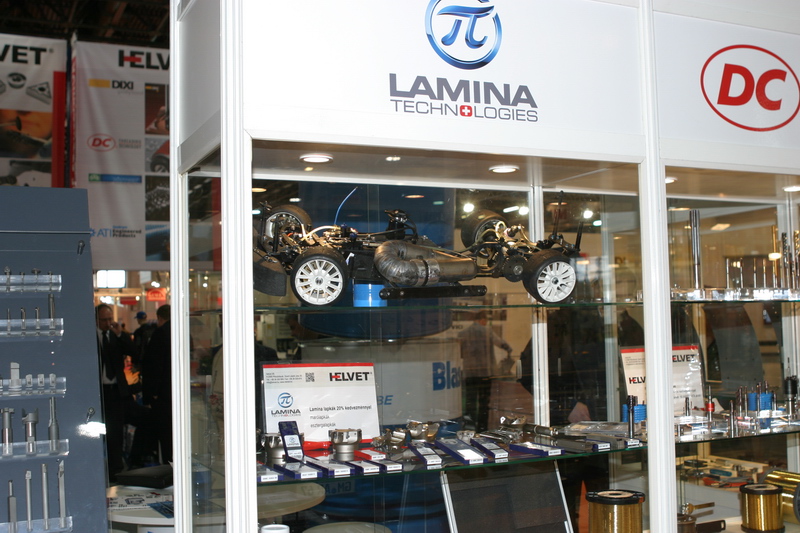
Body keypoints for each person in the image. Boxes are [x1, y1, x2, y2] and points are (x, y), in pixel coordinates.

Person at [96, 303, 137, 482]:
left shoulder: (115, 336)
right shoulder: (90, 337)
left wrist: (120, 334)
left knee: (116, 432)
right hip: (98, 391)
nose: (107, 323)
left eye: (109, 319)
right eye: (103, 320)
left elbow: (133, 352)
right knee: (97, 432)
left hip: (115, 390)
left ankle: (116, 471)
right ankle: (98, 469)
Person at [457, 311, 512, 432]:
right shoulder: (487, 331)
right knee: (484, 403)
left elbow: (459, 350)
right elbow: (500, 342)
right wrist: (509, 349)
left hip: (470, 372)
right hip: (485, 372)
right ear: (482, 320)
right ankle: (482, 428)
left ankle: (469, 426)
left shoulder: (463, 333)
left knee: (470, 401)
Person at [141, 305, 173, 464]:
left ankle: (168, 467)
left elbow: (153, 365)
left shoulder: (160, 333)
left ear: (160, 318)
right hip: (176, 392)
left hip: (162, 394)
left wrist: (151, 393)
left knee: (165, 436)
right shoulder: (183, 332)